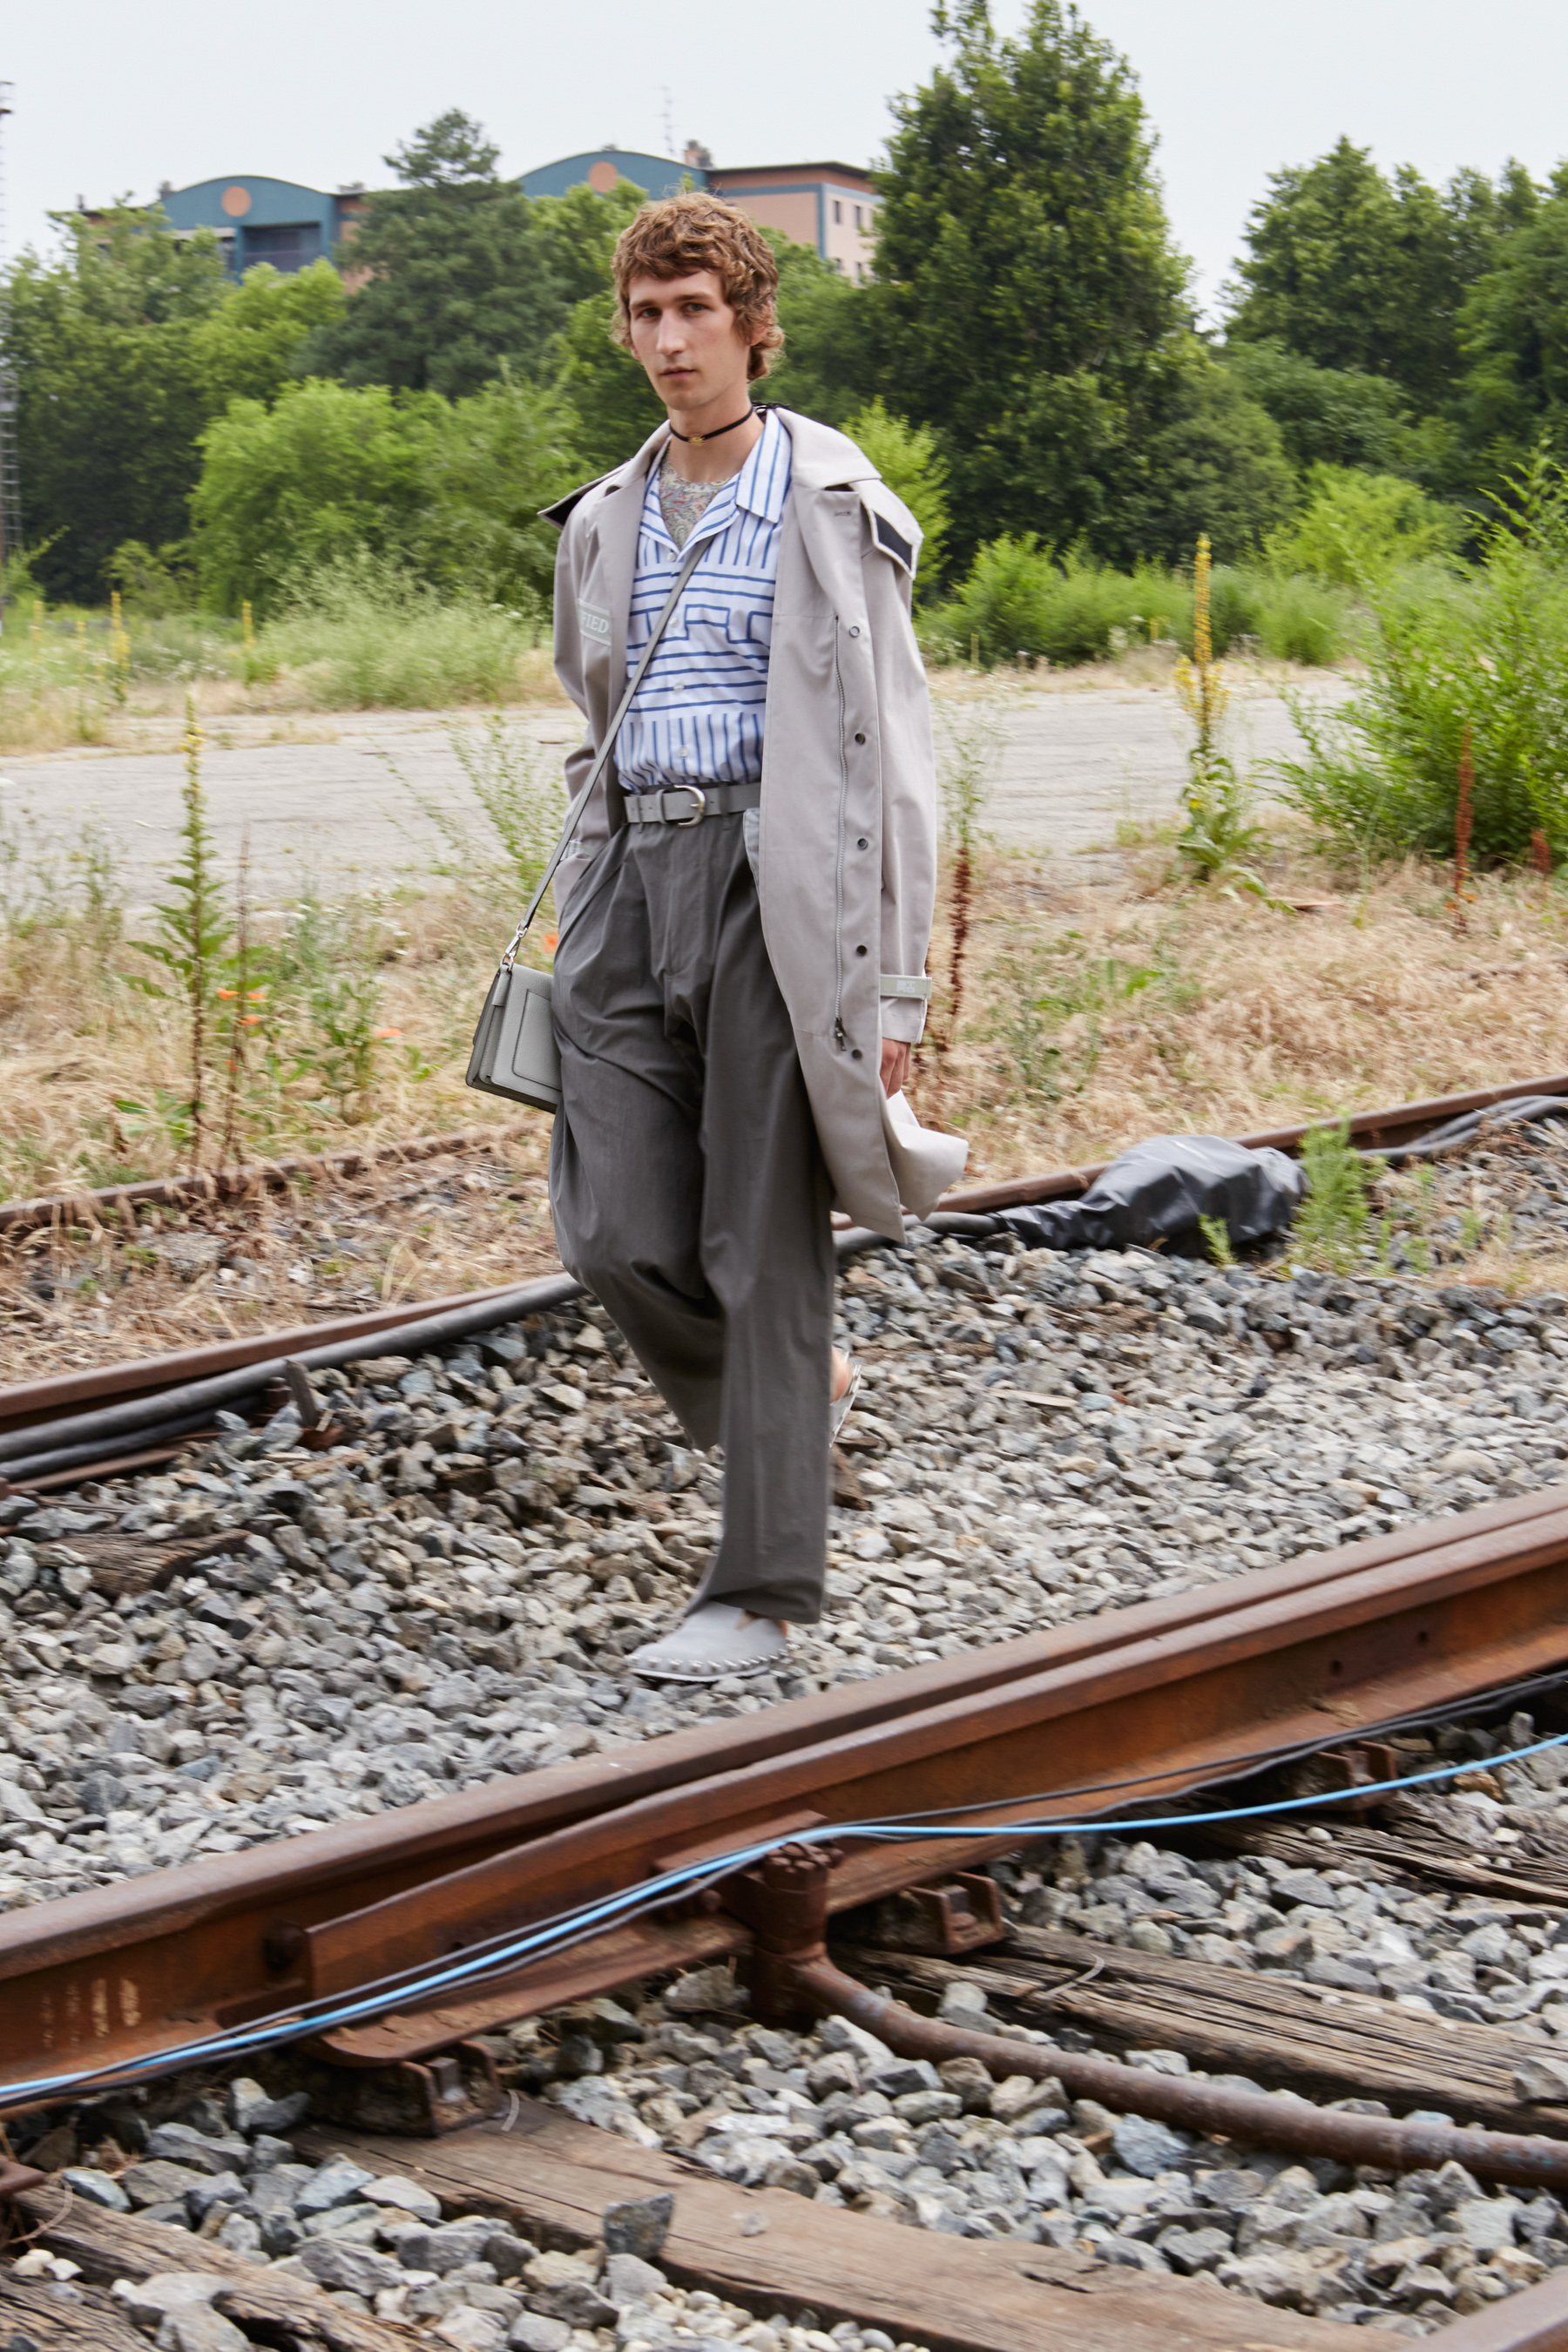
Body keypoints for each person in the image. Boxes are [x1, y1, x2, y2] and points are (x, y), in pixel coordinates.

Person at [543, 192, 948, 1684]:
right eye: (645, 315)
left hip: (778, 885)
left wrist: (895, 973)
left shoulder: (828, 500)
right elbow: (595, 727)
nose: (667, 341)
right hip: (627, 881)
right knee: (612, 1229)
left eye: (694, 311)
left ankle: (763, 1590)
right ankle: (796, 1397)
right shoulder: (603, 516)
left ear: (753, 323)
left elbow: (894, 747)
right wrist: (587, 892)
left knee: (758, 1241)